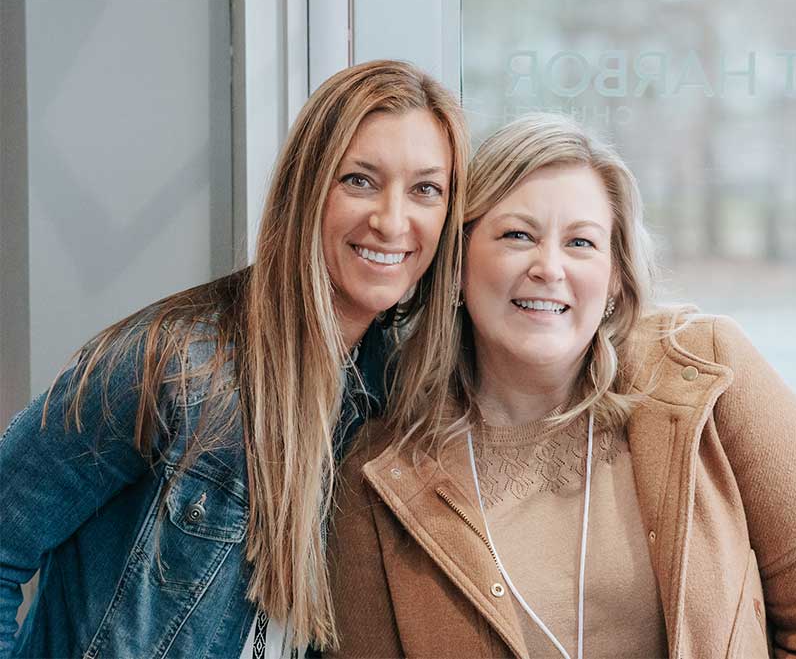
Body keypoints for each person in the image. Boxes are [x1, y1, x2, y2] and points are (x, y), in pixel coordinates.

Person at [327, 113, 796, 658]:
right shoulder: (378, 466)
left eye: (581, 243)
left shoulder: (711, 373)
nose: (549, 267)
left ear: (616, 273)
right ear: (458, 262)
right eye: (517, 235)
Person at [0, 59, 468, 659]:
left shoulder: (392, 398)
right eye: (359, 180)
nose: (391, 220)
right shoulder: (171, 365)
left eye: (425, 189)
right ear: (308, 188)